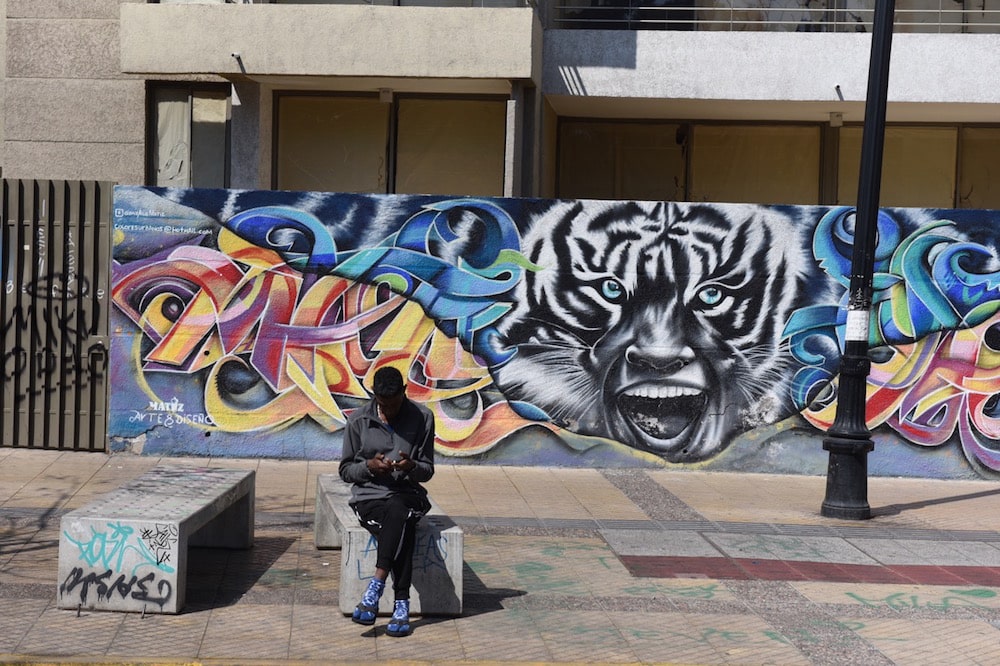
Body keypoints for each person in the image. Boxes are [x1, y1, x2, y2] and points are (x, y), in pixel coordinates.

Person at [338, 366, 435, 637]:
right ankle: (401, 604)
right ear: (374, 396)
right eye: (383, 405)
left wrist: (411, 467)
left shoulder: (423, 418)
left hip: (408, 494)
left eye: (394, 404)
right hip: (370, 497)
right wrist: (369, 467)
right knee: (402, 523)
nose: (389, 411)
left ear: (405, 392)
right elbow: (345, 471)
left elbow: (427, 471)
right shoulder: (358, 421)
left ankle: (376, 584)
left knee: (399, 510)